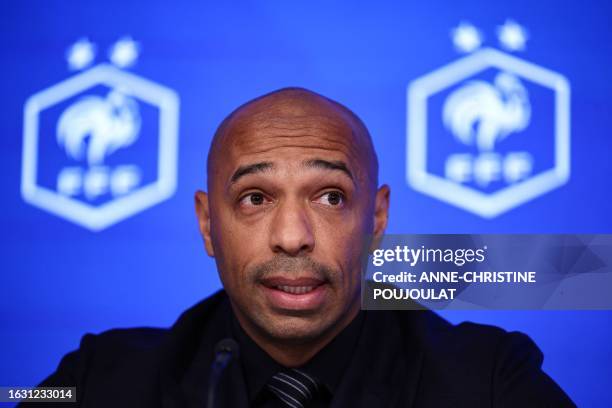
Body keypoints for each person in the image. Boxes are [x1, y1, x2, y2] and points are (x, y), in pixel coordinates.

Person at [21, 88, 575, 407]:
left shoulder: (490, 383)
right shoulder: (99, 384)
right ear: (207, 223)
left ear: (377, 218)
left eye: (331, 197)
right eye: (255, 198)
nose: (291, 236)